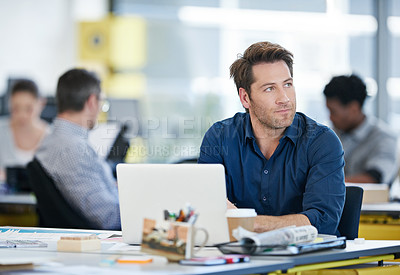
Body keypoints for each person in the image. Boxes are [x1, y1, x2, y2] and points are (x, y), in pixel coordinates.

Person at [198, 41, 345, 235]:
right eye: (270, 88)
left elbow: (323, 222)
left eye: (288, 84)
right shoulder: (220, 137)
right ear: (245, 98)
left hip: (303, 261)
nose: (284, 98)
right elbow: (207, 207)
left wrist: (250, 224)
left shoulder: (322, 142)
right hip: (236, 257)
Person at [35, 68, 120, 230]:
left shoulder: (51, 142)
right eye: (101, 103)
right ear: (92, 102)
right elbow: (110, 218)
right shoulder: (74, 151)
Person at [323, 74, 398, 184]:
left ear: (353, 108)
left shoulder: (384, 137)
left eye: (333, 112)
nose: (330, 117)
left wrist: (327, 184)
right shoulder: (331, 134)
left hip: (371, 200)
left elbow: (374, 179)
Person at [0, 79, 49, 181]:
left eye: (28, 109)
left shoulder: (53, 137)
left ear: (42, 104)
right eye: (15, 108)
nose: (22, 115)